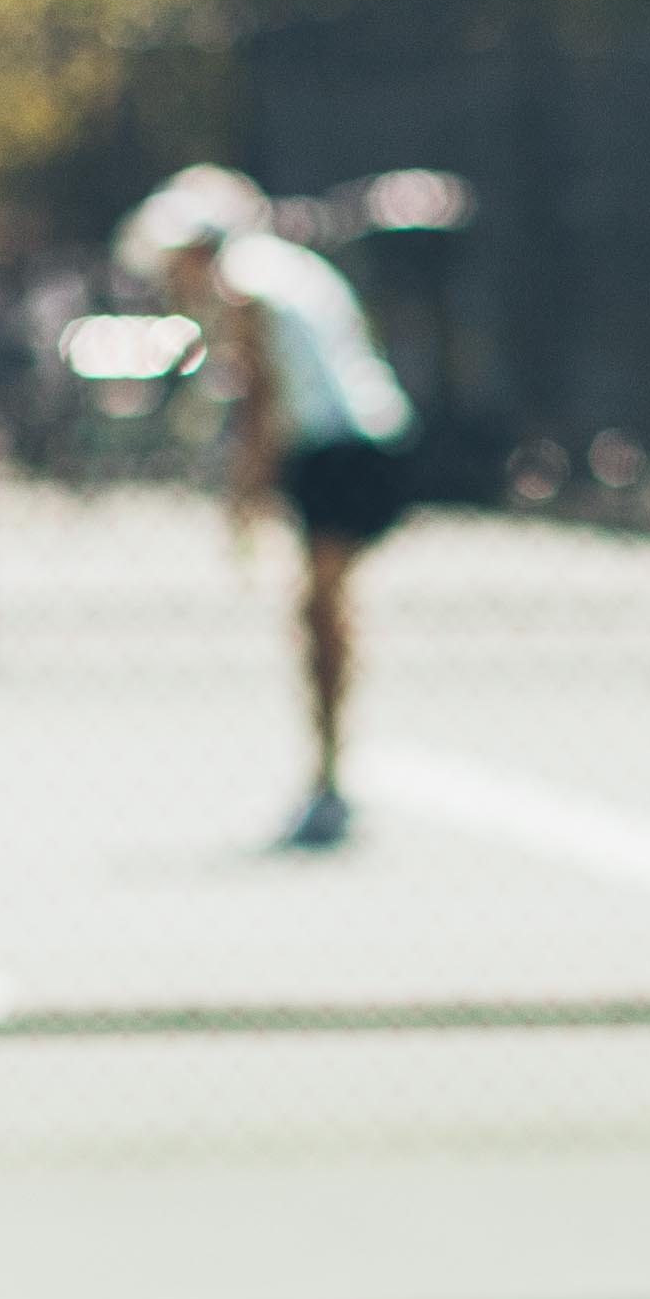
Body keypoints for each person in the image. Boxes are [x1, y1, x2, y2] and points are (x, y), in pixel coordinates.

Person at [119, 165, 424, 849]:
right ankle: (328, 779)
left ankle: (329, 783)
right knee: (320, 611)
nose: (175, 276)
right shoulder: (279, 269)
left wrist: (243, 502)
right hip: (354, 448)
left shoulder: (247, 284)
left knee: (319, 616)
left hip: (343, 455)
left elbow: (264, 405)